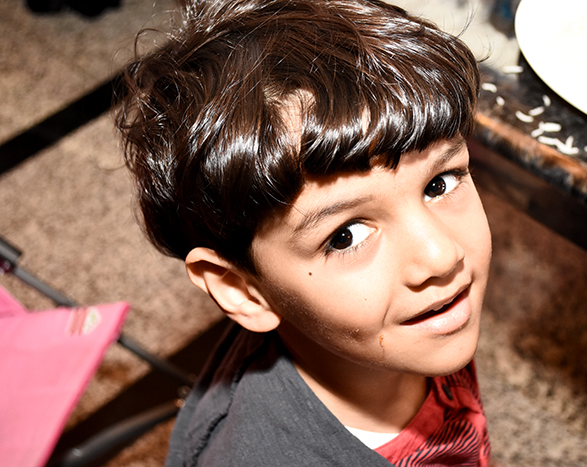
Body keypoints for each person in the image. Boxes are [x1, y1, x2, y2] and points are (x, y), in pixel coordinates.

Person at [116, 0, 491, 465]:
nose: (441, 255)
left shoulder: (420, 322)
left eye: (439, 184)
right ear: (243, 289)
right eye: (345, 236)